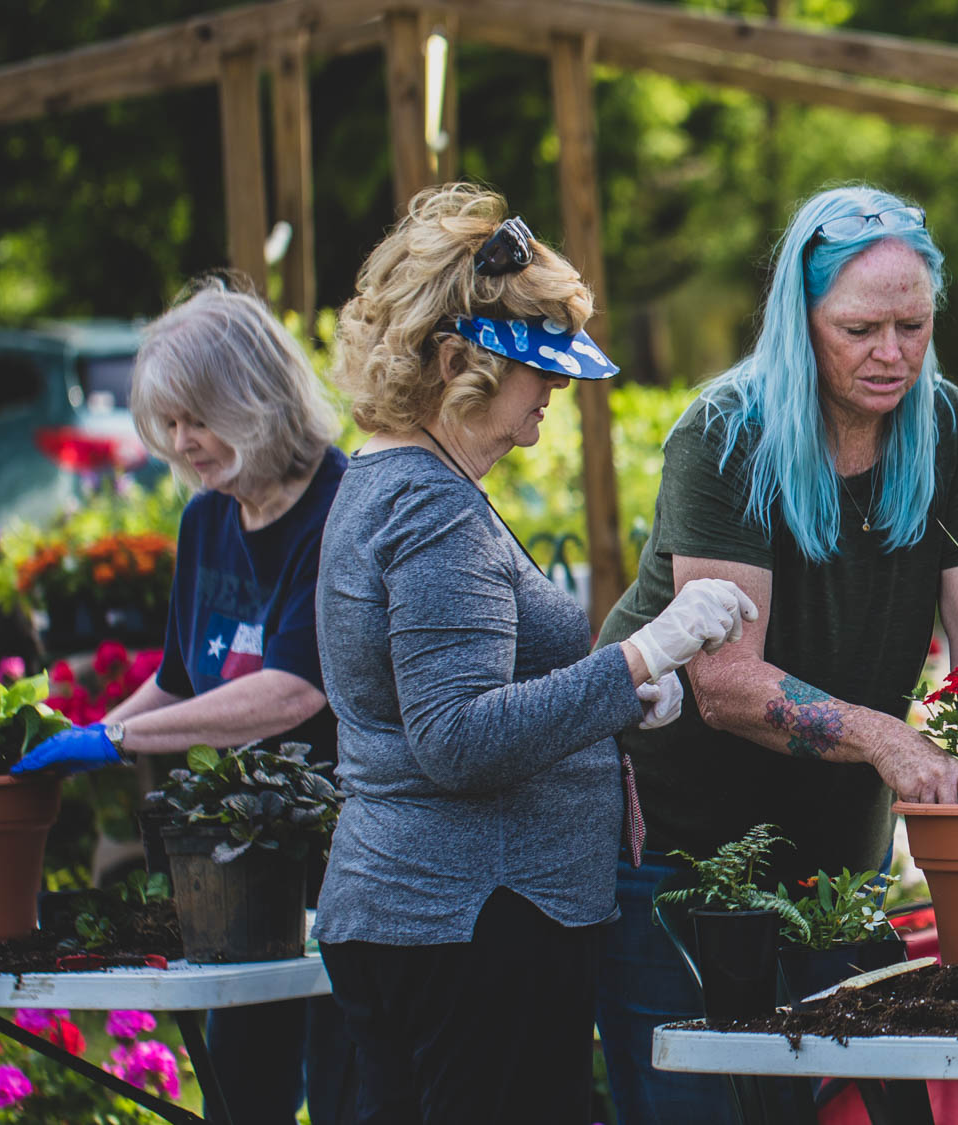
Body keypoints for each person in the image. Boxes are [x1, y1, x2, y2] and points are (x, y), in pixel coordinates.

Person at [313, 183, 757, 1125]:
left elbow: (454, 696)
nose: (557, 388)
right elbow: (458, 737)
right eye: (538, 370)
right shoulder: (434, 512)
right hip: (475, 925)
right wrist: (645, 655)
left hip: (426, 914)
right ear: (455, 360)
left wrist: (617, 701)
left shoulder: (389, 481)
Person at [593, 185, 958, 1124]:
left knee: (825, 1107)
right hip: (676, 839)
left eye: (912, 325)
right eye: (859, 328)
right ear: (803, 318)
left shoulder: (953, 433)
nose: (891, 353)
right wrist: (889, 739)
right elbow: (724, 681)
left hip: (835, 852)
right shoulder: (727, 435)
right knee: (695, 1106)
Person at [11, 278, 352, 1124]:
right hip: (241, 869)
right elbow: (180, 677)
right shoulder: (208, 518)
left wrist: (119, 737)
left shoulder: (341, 504)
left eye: (198, 419)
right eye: (168, 424)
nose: (182, 442)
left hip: (348, 857)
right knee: (244, 1091)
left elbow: (293, 689)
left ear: (257, 400)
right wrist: (81, 733)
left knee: (353, 1090)